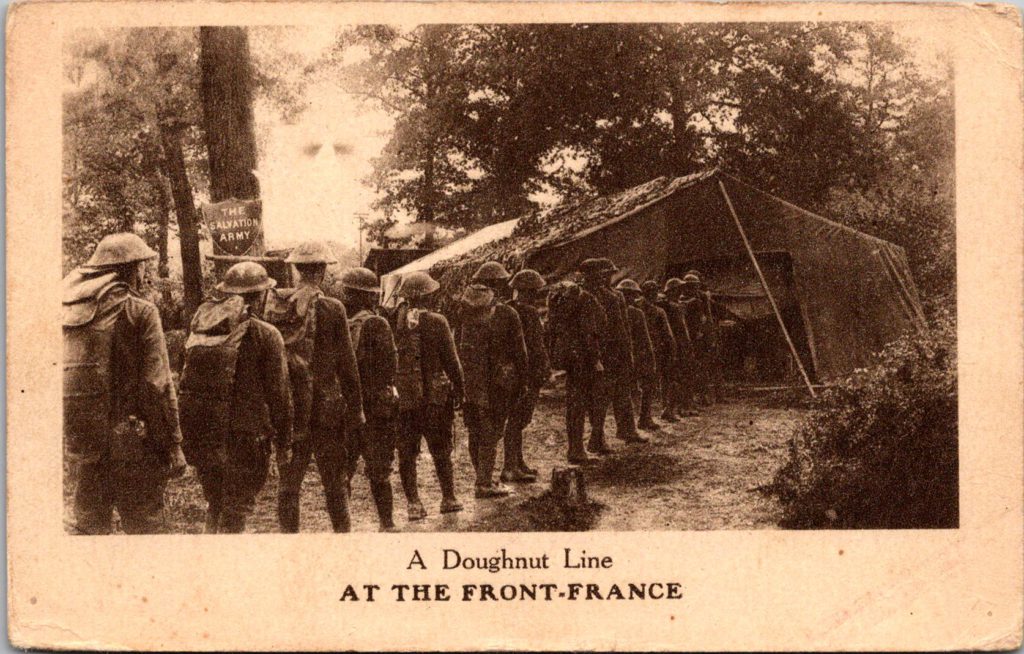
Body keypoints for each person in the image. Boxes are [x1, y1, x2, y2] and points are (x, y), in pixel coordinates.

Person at [62, 233, 187, 534]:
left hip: (88, 448)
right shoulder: (141, 311)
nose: (144, 271)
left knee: (91, 533)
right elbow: (158, 386)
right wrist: (174, 445)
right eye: (142, 265)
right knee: (146, 532)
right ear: (131, 268)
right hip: (134, 447)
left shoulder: (74, 311)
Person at [180, 261, 292, 533]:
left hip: (208, 433)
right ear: (263, 294)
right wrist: (284, 443)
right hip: (247, 439)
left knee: (216, 503)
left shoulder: (203, 330)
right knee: (236, 510)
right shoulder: (267, 334)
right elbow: (280, 395)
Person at [268, 242, 364, 534]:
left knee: (289, 486)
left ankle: (290, 545)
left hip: (292, 409)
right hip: (327, 410)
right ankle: (343, 541)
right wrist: (357, 408)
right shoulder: (333, 308)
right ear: (322, 271)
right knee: (334, 482)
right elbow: (348, 366)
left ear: (297, 269)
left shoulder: (276, 306)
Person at [391, 271, 465, 519]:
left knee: (407, 452)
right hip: (435, 397)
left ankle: (414, 504)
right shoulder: (438, 321)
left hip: (406, 397)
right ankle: (449, 498)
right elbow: (452, 361)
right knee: (441, 449)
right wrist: (460, 389)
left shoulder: (395, 320)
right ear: (428, 296)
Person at [457, 261, 529, 497]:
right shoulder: (507, 313)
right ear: (497, 284)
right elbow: (520, 351)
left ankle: (483, 476)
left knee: (475, 430)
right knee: (493, 430)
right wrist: (524, 380)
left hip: (470, 379)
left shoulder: (463, 310)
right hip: (498, 381)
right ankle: (484, 483)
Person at [340, 267, 400, 532]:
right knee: (379, 471)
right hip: (375, 408)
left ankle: (344, 526)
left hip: (347, 406)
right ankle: (386, 523)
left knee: (344, 470)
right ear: (369, 296)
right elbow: (390, 366)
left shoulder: (339, 320)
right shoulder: (377, 323)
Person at [579, 258, 645, 451]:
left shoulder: (585, 294)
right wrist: (627, 353)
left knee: (608, 394)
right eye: (606, 274)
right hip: (611, 352)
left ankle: (618, 431)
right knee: (608, 394)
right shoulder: (611, 296)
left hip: (597, 352)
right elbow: (620, 328)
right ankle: (600, 437)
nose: (608, 277)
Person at [546, 280, 602, 464]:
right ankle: (577, 451)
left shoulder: (560, 299)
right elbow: (589, 333)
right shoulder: (584, 298)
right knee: (581, 402)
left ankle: (575, 448)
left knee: (573, 403)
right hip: (582, 357)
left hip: (568, 354)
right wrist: (595, 360)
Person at [505, 269, 551, 481]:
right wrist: (544, 369)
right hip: (528, 372)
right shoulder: (529, 313)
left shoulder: (508, 309)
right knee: (518, 419)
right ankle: (510, 466)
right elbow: (536, 346)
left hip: (513, 372)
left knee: (516, 419)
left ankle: (517, 461)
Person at [616, 279, 659, 432]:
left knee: (624, 392)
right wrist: (651, 358)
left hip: (620, 357)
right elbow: (645, 340)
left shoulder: (615, 311)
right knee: (647, 386)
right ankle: (644, 418)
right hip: (639, 356)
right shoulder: (636, 313)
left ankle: (626, 426)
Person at [639, 280, 677, 424]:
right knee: (658, 381)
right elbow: (668, 335)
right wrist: (672, 350)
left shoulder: (636, 307)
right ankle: (649, 416)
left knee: (645, 385)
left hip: (639, 350)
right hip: (656, 349)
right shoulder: (658, 311)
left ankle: (645, 416)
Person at [684, 270, 724, 403]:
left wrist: (711, 335)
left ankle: (711, 395)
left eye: (695, 285)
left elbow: (708, 316)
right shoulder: (683, 299)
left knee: (706, 365)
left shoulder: (702, 297)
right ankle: (698, 395)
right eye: (690, 286)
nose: (693, 289)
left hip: (704, 336)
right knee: (695, 366)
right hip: (690, 336)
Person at [661, 277, 699, 417]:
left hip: (684, 343)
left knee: (685, 375)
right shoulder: (669, 306)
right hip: (675, 345)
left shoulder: (677, 304)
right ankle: (671, 407)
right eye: (678, 289)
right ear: (672, 291)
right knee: (675, 377)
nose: (681, 291)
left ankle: (682, 406)